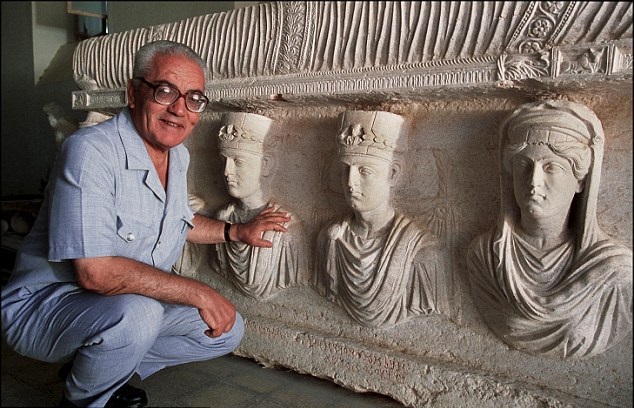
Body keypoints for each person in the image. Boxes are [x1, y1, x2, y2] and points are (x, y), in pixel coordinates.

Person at [0, 40, 291, 407]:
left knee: (224, 330)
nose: (178, 110)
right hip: (45, 306)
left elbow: (176, 221)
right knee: (141, 314)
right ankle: (83, 401)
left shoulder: (177, 156)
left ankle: (104, 371)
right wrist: (197, 291)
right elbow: (96, 273)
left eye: (193, 98)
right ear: (134, 93)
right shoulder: (90, 150)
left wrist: (235, 231)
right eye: (166, 91)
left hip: (116, 306)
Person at [467, 99, 632, 359]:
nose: (533, 182)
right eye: (523, 165)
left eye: (551, 167)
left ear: (580, 181)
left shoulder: (614, 272)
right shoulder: (485, 257)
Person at [313, 110, 451, 328]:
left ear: (393, 174)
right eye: (345, 170)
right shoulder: (329, 238)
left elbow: (438, 325)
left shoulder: (422, 253)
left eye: (364, 171)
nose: (351, 183)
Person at [212, 112, 310, 300]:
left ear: (266, 165)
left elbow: (298, 280)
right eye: (224, 160)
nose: (227, 172)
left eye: (238, 162)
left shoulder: (288, 230)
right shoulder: (223, 218)